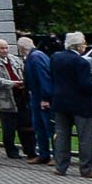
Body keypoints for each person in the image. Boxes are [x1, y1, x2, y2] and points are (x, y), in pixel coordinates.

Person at [49, 31, 92, 177]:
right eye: (84, 43)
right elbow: (85, 85)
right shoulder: (81, 62)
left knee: (61, 135)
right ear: (78, 46)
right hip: (80, 104)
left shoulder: (56, 58)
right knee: (85, 138)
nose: (85, 46)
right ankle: (86, 169)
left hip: (60, 102)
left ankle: (60, 167)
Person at [0, 39, 34, 161]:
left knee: (26, 125)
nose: (5, 50)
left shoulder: (14, 59)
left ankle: (30, 150)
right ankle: (11, 151)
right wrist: (13, 84)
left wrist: (24, 82)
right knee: (9, 127)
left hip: (21, 97)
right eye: (1, 48)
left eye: (6, 48)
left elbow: (23, 71)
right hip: (5, 99)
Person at [21, 35, 55, 165]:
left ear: (22, 48)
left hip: (41, 97)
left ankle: (57, 155)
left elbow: (44, 78)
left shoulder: (36, 58)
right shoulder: (35, 57)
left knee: (49, 127)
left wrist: (45, 98)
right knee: (39, 127)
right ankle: (44, 154)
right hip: (35, 96)